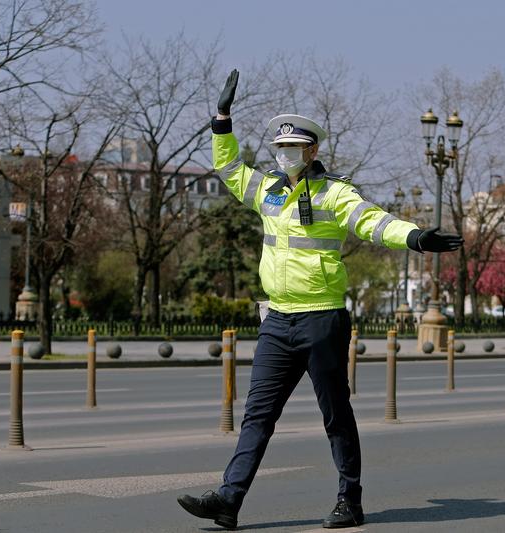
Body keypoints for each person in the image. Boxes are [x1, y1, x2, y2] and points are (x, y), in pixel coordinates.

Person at [177, 69, 464, 529]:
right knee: (257, 416)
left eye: (293, 148)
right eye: (279, 149)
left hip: (322, 320)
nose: (284, 154)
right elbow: (229, 169)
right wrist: (222, 120)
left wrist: (413, 237)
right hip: (277, 321)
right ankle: (229, 500)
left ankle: (349, 500)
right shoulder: (267, 191)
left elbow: (372, 220)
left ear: (312, 151)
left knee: (335, 414)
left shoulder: (334, 193)